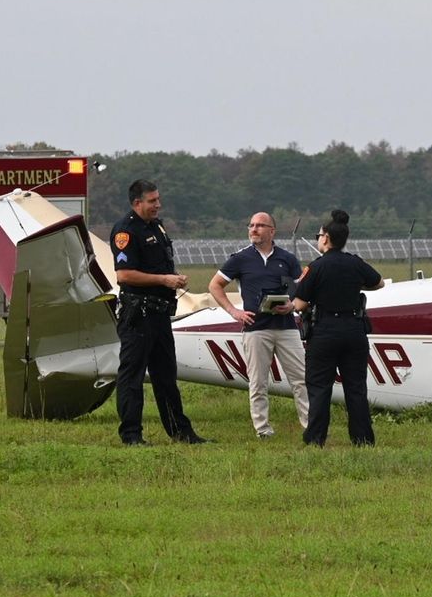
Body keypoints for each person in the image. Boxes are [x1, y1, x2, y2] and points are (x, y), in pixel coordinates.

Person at [109, 179, 208, 446]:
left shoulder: (157, 226)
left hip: (160, 314)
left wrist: (173, 277)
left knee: (166, 376)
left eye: (158, 199)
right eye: (152, 201)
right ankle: (131, 436)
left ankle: (181, 432)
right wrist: (164, 280)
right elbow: (124, 274)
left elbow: (157, 264)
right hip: (137, 314)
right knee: (132, 377)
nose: (158, 205)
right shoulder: (125, 231)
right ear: (137, 202)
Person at [208, 212, 309, 438]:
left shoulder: (288, 258)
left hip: (286, 327)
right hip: (255, 328)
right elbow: (215, 285)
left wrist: (292, 305)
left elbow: (303, 290)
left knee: (301, 379)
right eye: (251, 225)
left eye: (260, 226)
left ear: (272, 231)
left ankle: (311, 426)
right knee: (258, 382)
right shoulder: (240, 258)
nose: (253, 229)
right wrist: (234, 311)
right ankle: (263, 430)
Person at [292, 209, 384, 446]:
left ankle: (315, 439)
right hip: (354, 330)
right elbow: (379, 282)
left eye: (318, 235)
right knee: (356, 388)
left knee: (320, 387)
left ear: (325, 238)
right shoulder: (355, 263)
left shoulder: (317, 267)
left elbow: (299, 303)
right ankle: (363, 440)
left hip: (324, 332)